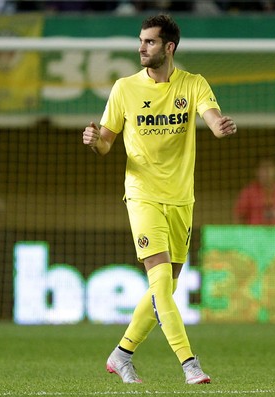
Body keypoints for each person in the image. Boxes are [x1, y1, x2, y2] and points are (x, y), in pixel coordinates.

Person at [83, 14, 237, 385]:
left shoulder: (193, 84)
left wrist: (219, 126)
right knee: (161, 281)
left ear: (169, 47)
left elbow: (211, 117)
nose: (141, 47)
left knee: (162, 288)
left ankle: (121, 355)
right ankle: (190, 364)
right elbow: (106, 141)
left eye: (149, 42)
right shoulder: (124, 88)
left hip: (182, 199)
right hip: (142, 195)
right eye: (140, 41)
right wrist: (95, 140)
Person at [234, 158, 275, 225]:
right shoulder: (248, 192)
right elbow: (239, 216)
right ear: (257, 171)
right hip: (255, 234)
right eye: (263, 168)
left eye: (270, 167)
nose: (267, 171)